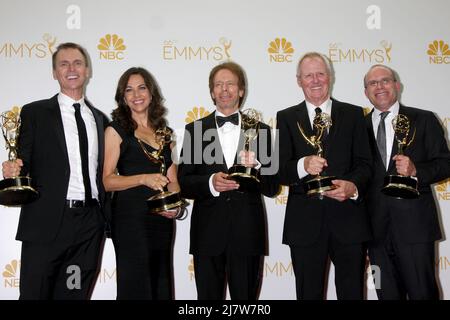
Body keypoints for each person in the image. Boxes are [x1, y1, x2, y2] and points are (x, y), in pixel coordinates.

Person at [1, 42, 108, 299]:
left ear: (87, 70)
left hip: (89, 225)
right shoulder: (34, 112)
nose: (71, 69)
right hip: (46, 222)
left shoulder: (101, 119)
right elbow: (22, 158)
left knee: (74, 295)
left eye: (78, 63)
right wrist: (12, 168)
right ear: (54, 72)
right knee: (35, 294)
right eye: (64, 64)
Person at [178, 61, 278, 300]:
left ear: (241, 90)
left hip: (247, 234)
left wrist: (259, 165)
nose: (224, 89)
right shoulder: (195, 130)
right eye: (218, 85)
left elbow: (273, 187)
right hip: (207, 234)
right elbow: (183, 181)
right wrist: (210, 183)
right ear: (212, 92)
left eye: (230, 84)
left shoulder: (261, 130)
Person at [276, 52, 372, 300]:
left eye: (320, 74)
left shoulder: (354, 114)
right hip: (304, 224)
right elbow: (279, 170)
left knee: (352, 294)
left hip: (348, 220)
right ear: (299, 80)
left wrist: (353, 186)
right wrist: (302, 165)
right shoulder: (286, 117)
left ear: (329, 77)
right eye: (308, 75)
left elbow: (365, 164)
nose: (315, 80)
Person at [363, 64, 450, 300]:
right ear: (366, 92)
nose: (379, 86)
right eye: (373, 83)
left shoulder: (423, 119)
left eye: (385, 81)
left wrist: (416, 170)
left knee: (424, 293)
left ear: (397, 86)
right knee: (385, 294)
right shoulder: (358, 128)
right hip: (375, 233)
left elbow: (445, 163)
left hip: (415, 229)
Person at [103, 67, 181, 300]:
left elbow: (173, 180)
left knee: (160, 283)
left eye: (141, 87)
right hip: (130, 219)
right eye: (129, 90)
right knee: (136, 286)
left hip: (161, 220)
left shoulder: (165, 133)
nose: (136, 94)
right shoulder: (116, 130)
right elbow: (106, 181)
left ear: (151, 92)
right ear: (123, 97)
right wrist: (143, 179)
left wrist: (174, 205)